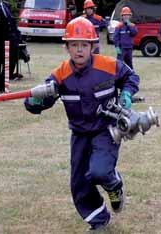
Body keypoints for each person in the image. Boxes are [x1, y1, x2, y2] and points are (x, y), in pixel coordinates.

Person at [24, 17, 139, 230]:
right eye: (74, 45)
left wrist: (127, 94)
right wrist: (34, 101)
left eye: (84, 45)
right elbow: (41, 100)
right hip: (79, 134)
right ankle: (98, 219)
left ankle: (114, 184)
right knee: (79, 183)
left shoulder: (108, 65)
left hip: (106, 129)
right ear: (66, 47)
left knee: (99, 171)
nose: (79, 50)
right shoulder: (60, 75)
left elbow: (130, 77)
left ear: (93, 45)